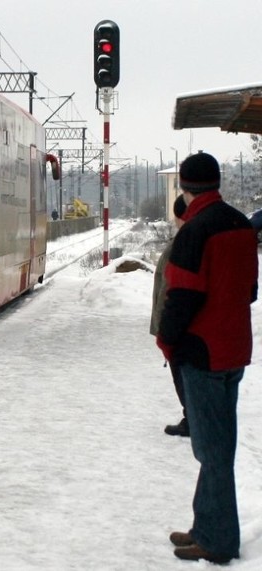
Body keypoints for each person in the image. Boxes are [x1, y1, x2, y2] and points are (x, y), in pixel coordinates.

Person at [156, 151, 258, 564]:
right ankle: (206, 526)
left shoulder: (195, 231)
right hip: (234, 349)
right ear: (216, 182)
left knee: (212, 452)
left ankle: (217, 542)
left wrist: (167, 341)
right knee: (218, 447)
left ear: (184, 185)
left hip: (202, 352)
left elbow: (181, 296)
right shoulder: (240, 224)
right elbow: (251, 290)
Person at [150, 194, 188, 437]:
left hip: (177, 329)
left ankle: (192, 418)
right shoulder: (184, 241)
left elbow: (173, 289)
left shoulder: (185, 244)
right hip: (175, 326)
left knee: (183, 376)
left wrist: (166, 331)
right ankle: (192, 416)